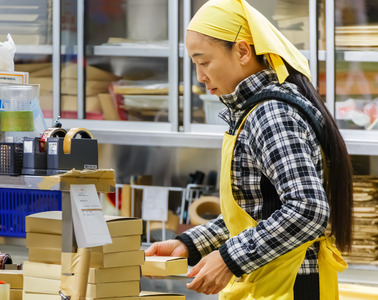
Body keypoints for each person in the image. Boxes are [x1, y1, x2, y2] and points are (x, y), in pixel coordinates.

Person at [145, 0, 353, 299]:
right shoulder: (251, 111)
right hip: (269, 283)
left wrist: (229, 259)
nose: (200, 77)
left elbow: (307, 210)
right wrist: (191, 244)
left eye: (204, 62)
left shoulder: (271, 113)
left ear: (242, 51)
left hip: (291, 287)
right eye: (195, 64)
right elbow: (254, 213)